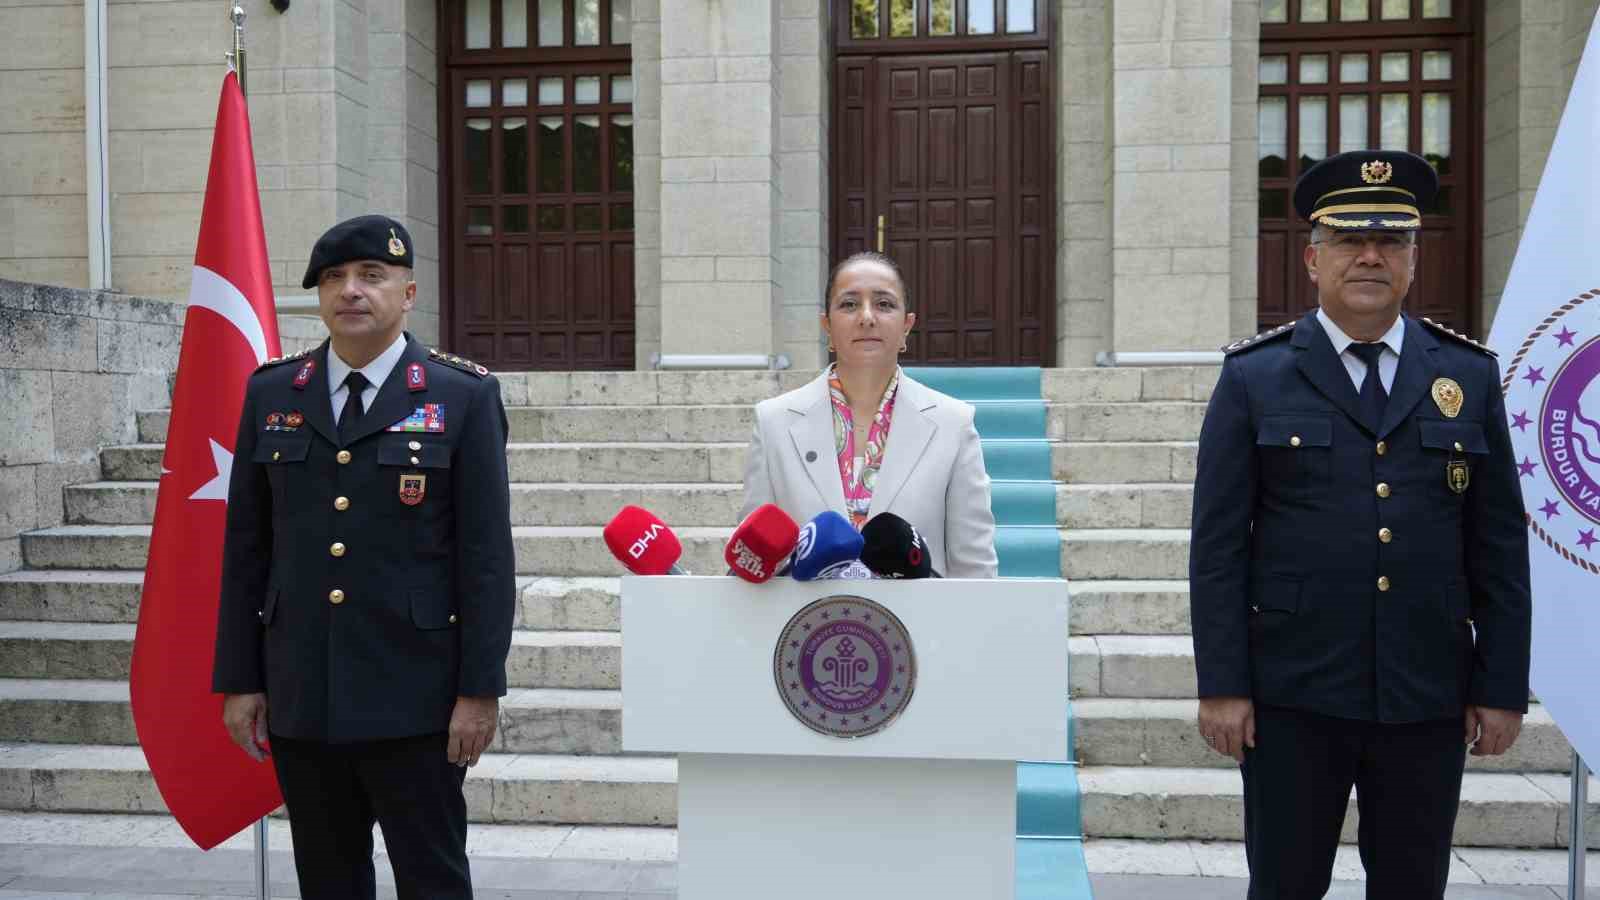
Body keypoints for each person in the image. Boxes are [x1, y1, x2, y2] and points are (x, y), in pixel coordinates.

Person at [1189, 150, 1532, 899]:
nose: (1370, 256)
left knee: (1412, 886)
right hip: (1292, 693)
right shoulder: (1255, 375)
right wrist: (1222, 683)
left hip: (1425, 691)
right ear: (1313, 259)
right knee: (1285, 884)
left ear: (1414, 259)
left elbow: (1498, 543)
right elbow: (1217, 549)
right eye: (1349, 240)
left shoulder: (1466, 376)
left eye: (1392, 241)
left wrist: (1501, 683)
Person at [212, 214, 515, 900]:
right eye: (333, 278)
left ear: (407, 293)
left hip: (418, 697)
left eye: (371, 276)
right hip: (303, 693)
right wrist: (240, 677)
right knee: (327, 879)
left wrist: (479, 689)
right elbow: (246, 548)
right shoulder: (271, 394)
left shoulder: (460, 396)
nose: (350, 291)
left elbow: (486, 558)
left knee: (432, 875)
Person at [741, 251, 998, 578]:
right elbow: (756, 561)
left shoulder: (953, 424)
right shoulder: (773, 422)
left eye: (884, 304)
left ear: (907, 325)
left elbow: (975, 568)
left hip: (920, 626)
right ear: (827, 326)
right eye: (849, 304)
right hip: (805, 626)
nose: (866, 317)